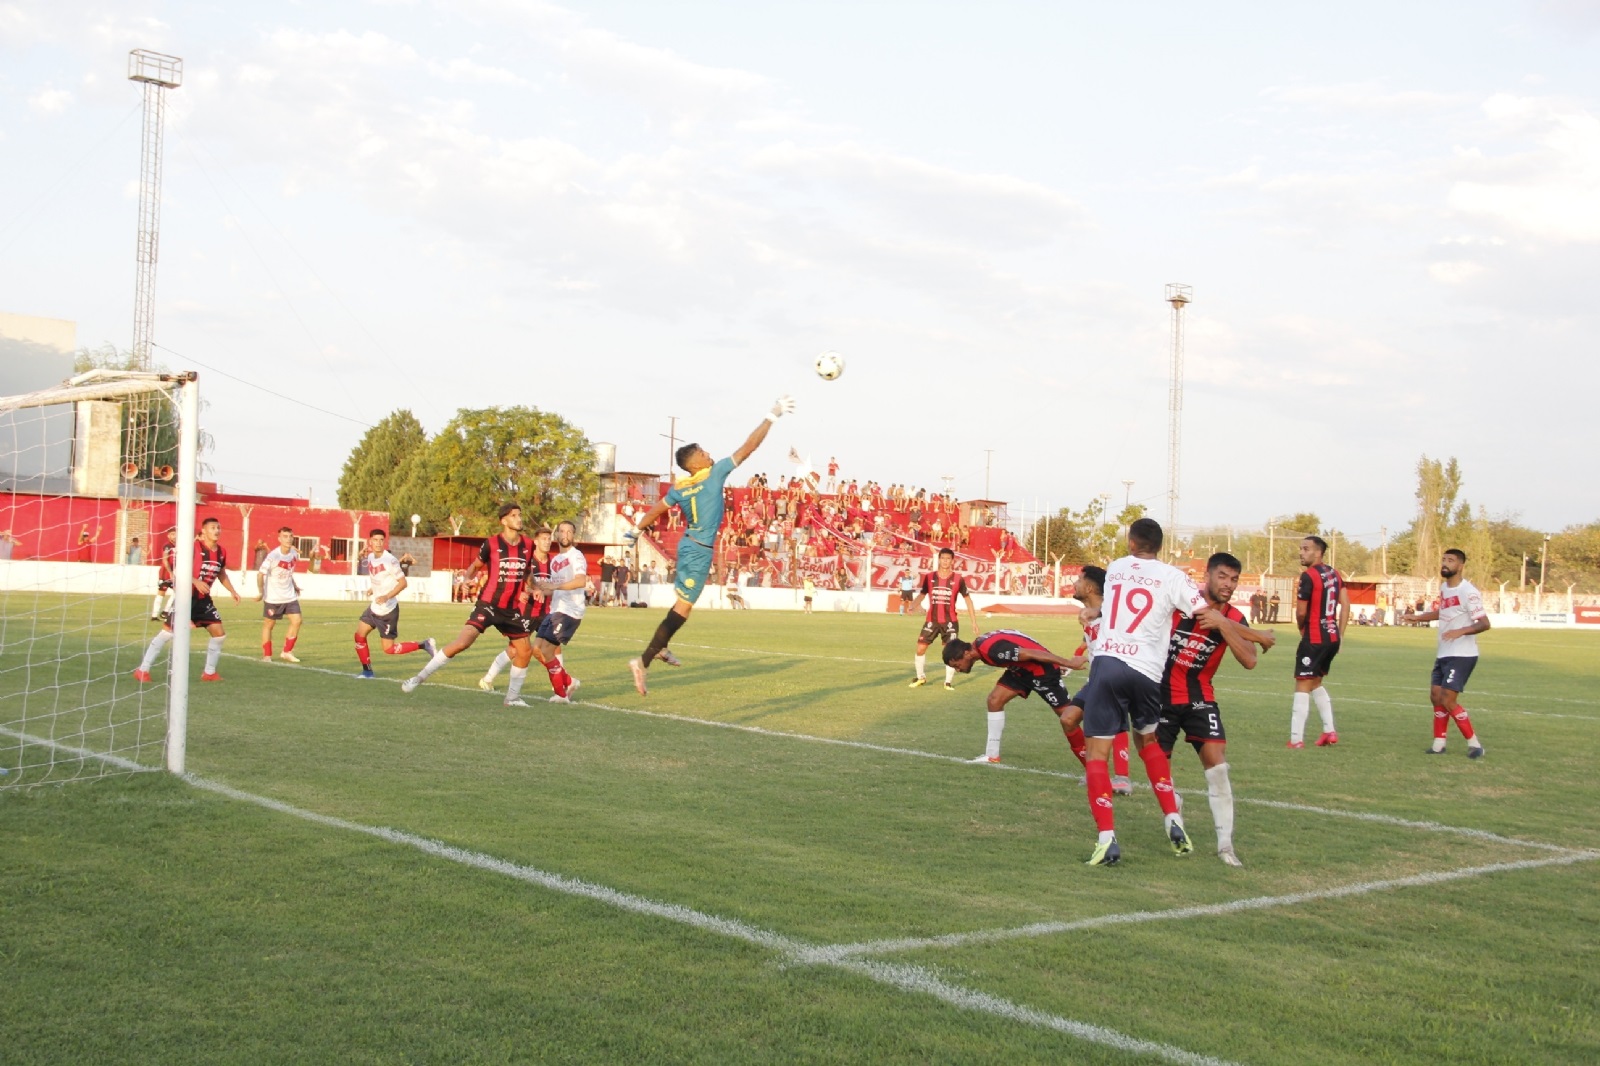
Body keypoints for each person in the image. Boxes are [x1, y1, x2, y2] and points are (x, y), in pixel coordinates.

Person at [1073, 518, 1220, 867]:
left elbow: (1118, 606)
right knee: (1148, 743)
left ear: (1131, 541)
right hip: (1148, 673)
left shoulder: (1118, 567)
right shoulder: (1173, 575)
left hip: (1109, 664)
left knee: (1097, 755)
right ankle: (1173, 818)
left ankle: (1106, 839)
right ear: (1160, 545)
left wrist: (1097, 610)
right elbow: (1203, 612)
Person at [625, 396, 794, 695]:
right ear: (696, 462)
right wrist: (772, 416)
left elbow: (656, 510)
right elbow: (749, 446)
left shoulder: (680, 487)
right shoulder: (715, 474)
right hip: (699, 550)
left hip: (689, 546)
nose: (709, 454)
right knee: (683, 608)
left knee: (682, 606)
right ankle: (644, 660)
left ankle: (661, 647)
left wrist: (636, 531)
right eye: (704, 452)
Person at [1157, 552, 1276, 866]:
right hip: (1159, 697)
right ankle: (1173, 804)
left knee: (1219, 768)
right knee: (1160, 773)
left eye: (1234, 579)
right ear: (1206, 575)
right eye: (1222, 576)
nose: (1229, 584)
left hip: (1199, 698)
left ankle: (1225, 846)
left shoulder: (1235, 617)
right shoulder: (1180, 603)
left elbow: (1250, 660)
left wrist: (1223, 625)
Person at [405, 504, 539, 706]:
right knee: (463, 642)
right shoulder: (492, 544)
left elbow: (527, 573)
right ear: (503, 521)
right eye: (514, 516)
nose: (519, 519)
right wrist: (466, 579)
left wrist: (533, 587)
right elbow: (475, 566)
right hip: (488, 604)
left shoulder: (528, 545)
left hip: (511, 610)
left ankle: (512, 698)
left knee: (525, 650)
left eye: (520, 515)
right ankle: (418, 678)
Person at [942, 628, 1077, 765]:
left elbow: (1031, 652)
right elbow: (1019, 637)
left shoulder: (991, 650)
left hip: (1041, 673)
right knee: (994, 700)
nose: (958, 670)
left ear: (966, 653)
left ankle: (1094, 754)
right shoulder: (979, 646)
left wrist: (1065, 663)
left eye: (957, 665)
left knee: (1069, 717)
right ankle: (991, 755)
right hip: (1020, 671)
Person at [133, 516, 242, 683]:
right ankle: (142, 669)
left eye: (218, 528)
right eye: (213, 528)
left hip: (203, 600)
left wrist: (232, 591)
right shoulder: (194, 547)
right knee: (167, 633)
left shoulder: (221, 552)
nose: (217, 531)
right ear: (203, 531)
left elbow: (221, 573)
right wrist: (195, 581)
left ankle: (209, 673)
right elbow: (178, 570)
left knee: (219, 634)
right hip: (186, 597)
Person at [1404, 549, 1489, 759]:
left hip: (1463, 654)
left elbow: (1484, 623)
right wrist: (1419, 618)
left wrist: (1461, 631)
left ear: (1460, 566)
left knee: (1448, 700)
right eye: (1443, 559)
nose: (1445, 563)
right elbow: (1443, 612)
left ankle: (1474, 744)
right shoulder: (1444, 588)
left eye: (1450, 560)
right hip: (1444, 652)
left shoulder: (1468, 591)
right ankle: (1438, 744)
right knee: (1435, 697)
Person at [1289, 535, 1350, 749]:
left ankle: (1296, 739)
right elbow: (1345, 604)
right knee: (1316, 683)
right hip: (1331, 637)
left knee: (1302, 684)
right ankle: (1329, 731)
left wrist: (1301, 629)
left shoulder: (1308, 576)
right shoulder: (1335, 573)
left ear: (1318, 552)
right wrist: (1340, 634)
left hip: (1314, 637)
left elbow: (1301, 612)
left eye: (1306, 549)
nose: (1301, 552)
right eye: (1301, 548)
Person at [480, 525, 557, 693]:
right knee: (514, 650)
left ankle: (559, 683)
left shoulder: (553, 562)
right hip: (525, 611)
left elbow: (553, 586)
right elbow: (514, 581)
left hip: (544, 612)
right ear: (535, 542)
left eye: (549, 539)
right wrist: (523, 592)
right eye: (544, 539)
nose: (547, 542)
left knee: (554, 646)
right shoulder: (527, 560)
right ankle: (488, 678)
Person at [353, 528, 435, 678]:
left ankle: (424, 644)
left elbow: (403, 583)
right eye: (375, 540)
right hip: (374, 608)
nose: (378, 543)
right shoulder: (370, 557)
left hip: (387, 611)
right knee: (359, 636)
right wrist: (373, 589)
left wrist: (387, 596)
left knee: (389, 649)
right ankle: (367, 671)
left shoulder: (390, 560)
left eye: (381, 540)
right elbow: (381, 578)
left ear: (384, 542)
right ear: (370, 541)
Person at [530, 519, 589, 702]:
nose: (565, 535)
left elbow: (581, 581)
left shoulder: (576, 556)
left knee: (547, 651)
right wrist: (540, 589)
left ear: (573, 535)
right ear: (557, 534)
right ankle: (569, 681)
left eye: (569, 532)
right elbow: (552, 587)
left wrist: (555, 587)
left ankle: (561, 694)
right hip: (555, 610)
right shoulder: (555, 560)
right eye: (562, 531)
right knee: (536, 649)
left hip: (570, 611)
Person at [909, 548, 979, 690]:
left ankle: (947, 682)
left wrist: (973, 622)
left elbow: (968, 600)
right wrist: (913, 605)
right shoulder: (929, 577)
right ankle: (921, 677)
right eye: (943, 558)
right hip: (931, 621)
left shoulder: (958, 579)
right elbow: (922, 594)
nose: (945, 561)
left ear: (953, 561)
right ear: (939, 559)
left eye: (948, 559)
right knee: (920, 648)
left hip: (950, 622)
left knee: (950, 652)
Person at [257, 526, 304, 663]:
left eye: (290, 536)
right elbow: (260, 574)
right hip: (273, 597)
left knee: (297, 621)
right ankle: (267, 655)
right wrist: (261, 592)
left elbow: (289, 572)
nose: (288, 539)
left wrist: (295, 586)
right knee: (269, 625)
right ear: (279, 539)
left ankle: (287, 651)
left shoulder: (294, 554)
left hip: (289, 596)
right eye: (285, 536)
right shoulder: (273, 556)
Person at [150, 527, 178, 620]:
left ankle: (166, 611)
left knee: (178, 592)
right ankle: (154, 616)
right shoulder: (167, 546)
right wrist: (170, 572)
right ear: (168, 536)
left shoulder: (177, 546)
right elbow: (165, 560)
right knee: (161, 593)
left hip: (173, 573)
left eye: (176, 534)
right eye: (172, 534)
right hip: (165, 573)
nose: (175, 536)